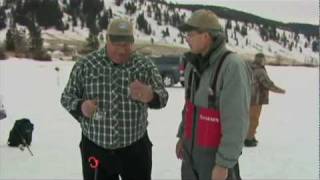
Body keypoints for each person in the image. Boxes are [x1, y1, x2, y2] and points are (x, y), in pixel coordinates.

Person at [60, 18, 168, 180]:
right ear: (107, 40)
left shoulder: (145, 66)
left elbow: (163, 97)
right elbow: (67, 97)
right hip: (96, 148)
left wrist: (150, 95)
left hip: (135, 149)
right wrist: (82, 107)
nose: (121, 50)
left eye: (126, 45)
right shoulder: (86, 65)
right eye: (116, 44)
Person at [175, 9, 251, 180]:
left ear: (206, 36)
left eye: (191, 34)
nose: (187, 39)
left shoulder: (232, 66)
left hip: (215, 161)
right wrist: (183, 136)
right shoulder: (192, 65)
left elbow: (236, 122)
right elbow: (189, 107)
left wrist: (223, 164)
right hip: (190, 156)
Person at [244, 53, 285, 147]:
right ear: (261, 60)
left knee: (248, 118)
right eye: (263, 59)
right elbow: (268, 84)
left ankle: (249, 136)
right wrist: (280, 91)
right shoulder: (259, 71)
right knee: (254, 119)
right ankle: (249, 139)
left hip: (248, 96)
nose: (264, 61)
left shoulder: (248, 67)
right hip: (256, 99)